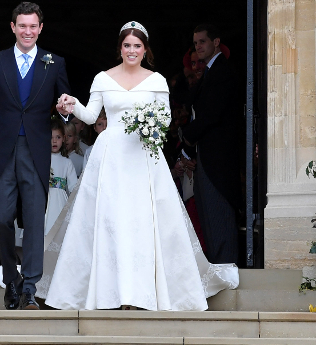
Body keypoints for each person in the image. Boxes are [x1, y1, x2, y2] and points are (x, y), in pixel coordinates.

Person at [42, 21, 239, 311]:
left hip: (144, 157)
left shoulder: (157, 80)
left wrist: (150, 126)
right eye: (126, 45)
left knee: (142, 224)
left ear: (145, 49)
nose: (131, 51)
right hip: (110, 158)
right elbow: (91, 114)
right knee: (110, 223)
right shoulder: (103, 78)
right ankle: (109, 293)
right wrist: (71, 107)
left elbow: (164, 120)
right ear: (120, 48)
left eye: (137, 46)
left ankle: (140, 294)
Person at [0, 2, 72, 310]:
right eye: (22, 26)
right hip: (2, 151)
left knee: (33, 220)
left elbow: (67, 110)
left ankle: (29, 287)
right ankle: (11, 276)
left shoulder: (54, 63)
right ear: (13, 27)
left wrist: (64, 111)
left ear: (40, 28)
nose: (28, 31)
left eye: (33, 26)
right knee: (0, 217)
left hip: (36, 151)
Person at [180, 24, 240, 265]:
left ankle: (225, 268)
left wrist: (187, 135)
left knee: (218, 212)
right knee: (208, 213)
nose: (198, 47)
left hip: (218, 158)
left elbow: (211, 114)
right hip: (207, 154)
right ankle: (217, 267)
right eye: (195, 43)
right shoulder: (207, 73)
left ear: (216, 42)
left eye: (202, 42)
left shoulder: (222, 71)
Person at [46, 117, 78, 234]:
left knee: (58, 233)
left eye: (58, 137)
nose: (54, 141)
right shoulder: (41, 160)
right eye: (51, 137)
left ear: (64, 139)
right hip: (44, 200)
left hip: (60, 203)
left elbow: (73, 186)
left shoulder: (67, 162)